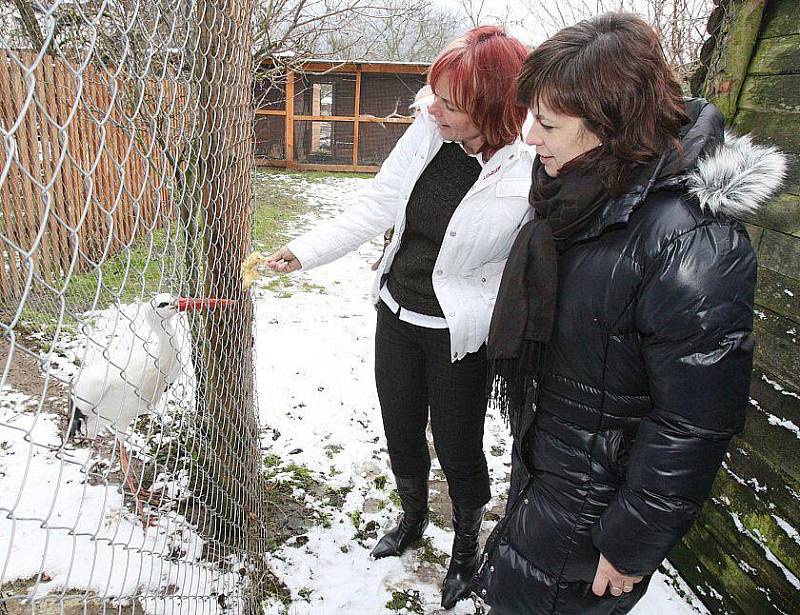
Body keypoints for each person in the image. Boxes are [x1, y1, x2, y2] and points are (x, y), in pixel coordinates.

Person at [473, 13, 786, 615]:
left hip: (596, 522)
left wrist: (630, 543)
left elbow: (694, 422)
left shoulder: (692, 244)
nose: (528, 138)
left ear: (611, 129)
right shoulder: (581, 196)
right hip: (550, 478)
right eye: (530, 115)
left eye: (548, 123)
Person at [265, 26, 531, 610]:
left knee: (459, 444)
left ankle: (465, 546)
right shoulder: (427, 131)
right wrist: (304, 251)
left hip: (458, 331)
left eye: (450, 103)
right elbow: (375, 205)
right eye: (433, 94)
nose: (431, 108)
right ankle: (412, 517)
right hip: (397, 310)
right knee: (400, 426)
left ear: (492, 110)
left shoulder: (530, 165)